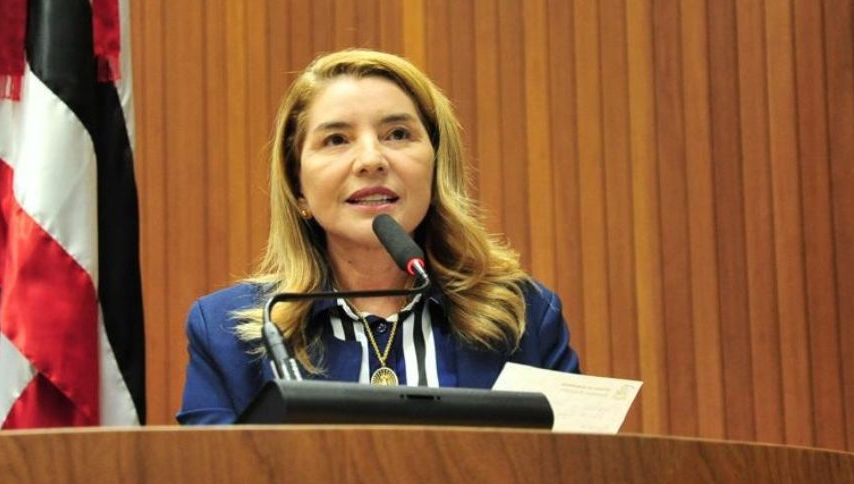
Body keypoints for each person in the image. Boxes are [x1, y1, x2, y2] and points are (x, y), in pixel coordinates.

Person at [177, 49, 580, 425]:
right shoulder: (229, 335)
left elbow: (572, 470)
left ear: (436, 168)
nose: (371, 160)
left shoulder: (523, 316)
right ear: (298, 187)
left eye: (398, 134)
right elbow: (216, 478)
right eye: (336, 140)